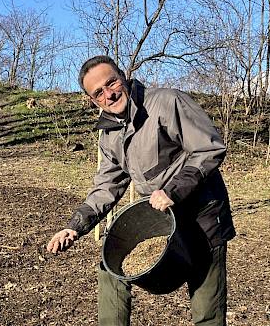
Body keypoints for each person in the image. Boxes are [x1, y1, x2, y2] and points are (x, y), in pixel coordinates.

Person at [45, 55, 236, 326]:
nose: (109, 95)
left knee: (206, 310)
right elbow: (107, 186)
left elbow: (209, 148)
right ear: (92, 101)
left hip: (202, 216)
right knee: (110, 265)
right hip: (161, 217)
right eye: (98, 93)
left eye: (111, 83)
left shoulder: (166, 103)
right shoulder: (110, 133)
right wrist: (76, 226)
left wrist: (173, 190)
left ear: (123, 76)